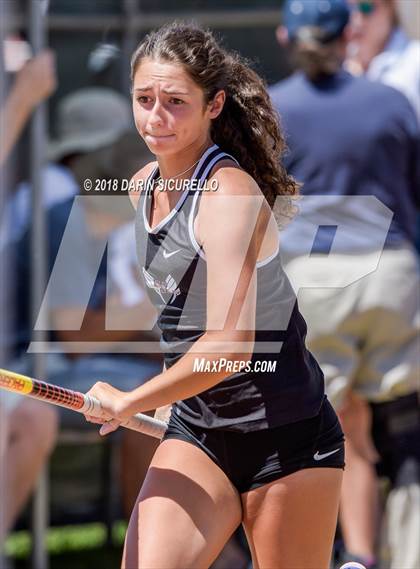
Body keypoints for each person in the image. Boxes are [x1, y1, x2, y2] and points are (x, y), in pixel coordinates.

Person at [82, 21, 345, 569]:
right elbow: (180, 318)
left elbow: (230, 345)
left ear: (214, 104)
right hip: (200, 429)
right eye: (144, 99)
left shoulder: (228, 194)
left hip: (285, 434)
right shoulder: (140, 187)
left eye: (175, 102)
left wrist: (136, 398)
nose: (156, 118)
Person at [269, 1, 419, 567]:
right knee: (404, 430)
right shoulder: (392, 101)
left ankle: (331, 555)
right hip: (393, 273)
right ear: (348, 31)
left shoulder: (272, 107)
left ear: (285, 34)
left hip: (314, 279)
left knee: (318, 428)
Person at [346, 0, 420, 121]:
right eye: (348, 8)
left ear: (391, 6)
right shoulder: (338, 65)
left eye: (366, 7)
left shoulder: (415, 61)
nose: (356, 19)